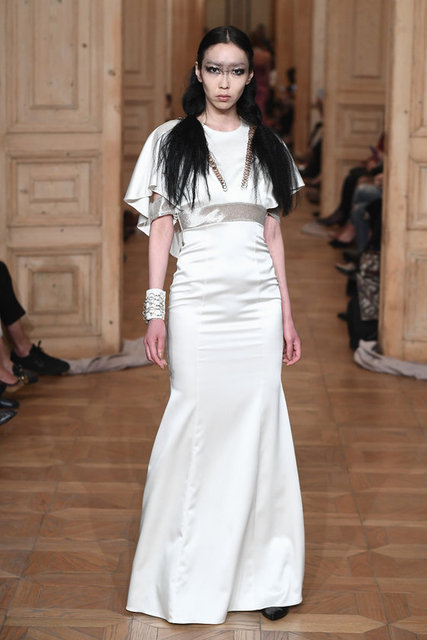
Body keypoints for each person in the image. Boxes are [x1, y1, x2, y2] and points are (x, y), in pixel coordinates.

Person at [124, 26, 305, 625]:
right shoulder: (169, 141)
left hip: (257, 307)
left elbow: (273, 235)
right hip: (197, 303)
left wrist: (287, 313)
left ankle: (266, 575)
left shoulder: (269, 145)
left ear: (250, 78)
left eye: (236, 71)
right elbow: (161, 231)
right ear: (198, 73)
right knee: (193, 425)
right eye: (214, 69)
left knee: (261, 430)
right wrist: (155, 312)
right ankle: (182, 575)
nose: (224, 82)